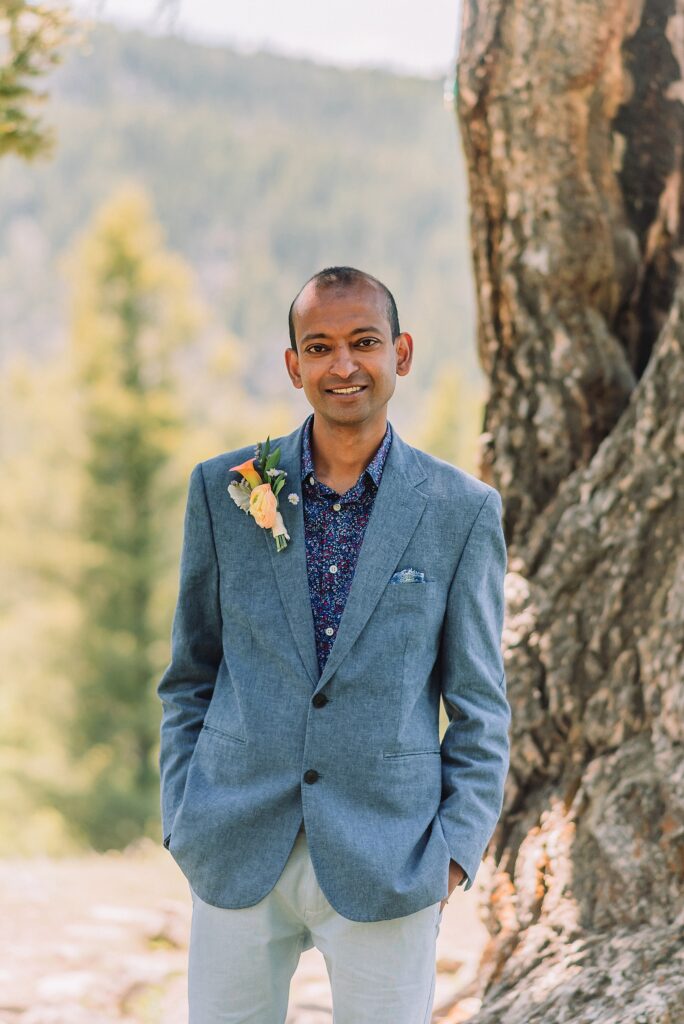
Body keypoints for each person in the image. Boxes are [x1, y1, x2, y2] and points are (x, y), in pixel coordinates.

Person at [157, 266, 511, 1024]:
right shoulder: (226, 491)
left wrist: (452, 852)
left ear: (401, 353)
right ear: (294, 366)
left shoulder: (462, 512)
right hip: (233, 837)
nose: (343, 365)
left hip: (392, 852)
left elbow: (480, 704)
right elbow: (190, 674)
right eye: (319, 347)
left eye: (364, 342)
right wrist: (183, 814)